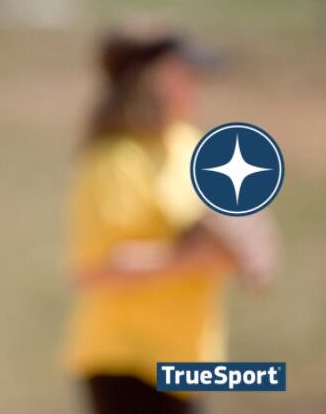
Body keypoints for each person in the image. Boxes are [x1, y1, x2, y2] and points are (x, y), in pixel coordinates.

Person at [61, 23, 278, 414]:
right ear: (149, 81)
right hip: (126, 362)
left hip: (191, 360)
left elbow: (241, 223)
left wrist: (251, 245)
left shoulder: (190, 144)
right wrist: (196, 256)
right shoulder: (114, 160)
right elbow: (94, 269)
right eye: (185, 73)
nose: (197, 83)